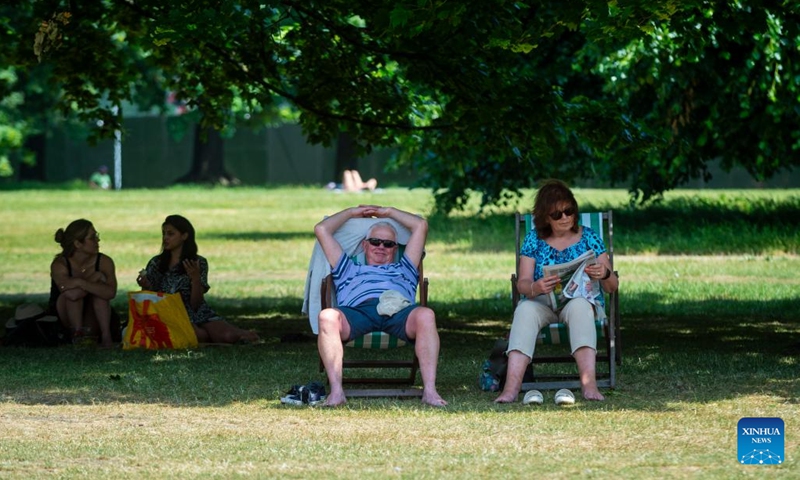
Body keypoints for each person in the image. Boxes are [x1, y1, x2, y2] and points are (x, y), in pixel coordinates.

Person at [494, 180, 619, 403]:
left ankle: (589, 386)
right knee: (524, 311)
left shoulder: (589, 237)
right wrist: (535, 286)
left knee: (581, 306)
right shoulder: (535, 239)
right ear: (545, 218)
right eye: (557, 214)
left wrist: (605, 274)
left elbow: (612, 287)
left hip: (577, 303)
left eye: (569, 211)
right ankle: (510, 390)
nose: (565, 218)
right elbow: (522, 283)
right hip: (542, 301)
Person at [315, 205, 447, 407]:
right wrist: (353, 213)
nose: (381, 247)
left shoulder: (405, 268)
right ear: (365, 245)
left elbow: (420, 225)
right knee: (327, 316)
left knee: (426, 314)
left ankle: (429, 391)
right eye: (375, 242)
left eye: (388, 244)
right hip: (357, 312)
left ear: (395, 249)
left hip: (399, 312)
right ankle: (336, 392)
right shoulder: (347, 268)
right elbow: (322, 229)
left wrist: (388, 212)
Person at [136, 215, 259, 345]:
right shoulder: (157, 263)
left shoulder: (198, 262)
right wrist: (145, 286)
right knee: (197, 336)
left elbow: (196, 303)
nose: (165, 238)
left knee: (228, 336)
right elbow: (150, 299)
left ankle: (247, 336)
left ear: (184, 236)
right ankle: (205, 335)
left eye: (170, 234)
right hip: (169, 313)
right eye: (164, 234)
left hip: (198, 312)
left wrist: (195, 278)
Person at [49, 219, 118, 348]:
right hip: (66, 316)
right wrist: (93, 278)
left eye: (97, 236)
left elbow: (110, 293)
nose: (98, 241)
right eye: (92, 238)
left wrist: (79, 282)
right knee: (73, 297)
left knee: (100, 294)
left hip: (93, 314)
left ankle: (106, 337)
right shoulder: (60, 264)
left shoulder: (104, 261)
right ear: (78, 244)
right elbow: (72, 295)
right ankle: (77, 336)